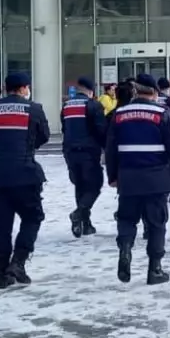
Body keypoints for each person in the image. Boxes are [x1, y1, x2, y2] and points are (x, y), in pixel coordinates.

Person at [105, 74, 170, 286]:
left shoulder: (120, 113)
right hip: (156, 178)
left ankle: (125, 250)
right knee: (157, 223)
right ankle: (155, 270)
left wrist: (113, 176)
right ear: (154, 92)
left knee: (126, 219)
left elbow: (111, 149)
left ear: (135, 90)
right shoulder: (161, 112)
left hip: (128, 178)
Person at [0, 72, 50, 289]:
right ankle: (18, 262)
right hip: (26, 174)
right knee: (33, 217)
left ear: (7, 88)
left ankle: (1, 274)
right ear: (25, 87)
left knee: (1, 227)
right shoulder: (34, 109)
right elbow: (43, 135)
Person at [61, 76, 107, 239]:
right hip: (88, 152)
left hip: (70, 152)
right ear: (91, 91)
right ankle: (79, 214)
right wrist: (106, 148)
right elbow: (100, 130)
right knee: (94, 185)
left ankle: (84, 224)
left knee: (80, 186)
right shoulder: (93, 105)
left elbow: (64, 128)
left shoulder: (66, 105)